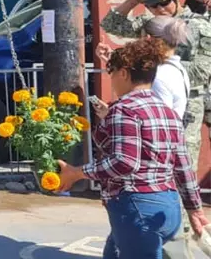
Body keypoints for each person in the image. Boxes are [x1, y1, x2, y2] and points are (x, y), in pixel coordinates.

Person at [58, 39, 208, 258]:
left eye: (112, 73)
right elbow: (183, 166)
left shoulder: (124, 110)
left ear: (124, 73)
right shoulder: (167, 112)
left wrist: (77, 173)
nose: (111, 80)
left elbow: (125, 162)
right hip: (168, 206)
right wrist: (194, 209)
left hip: (137, 206)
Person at [102, 0, 211, 174]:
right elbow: (110, 24)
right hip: (150, 100)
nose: (160, 9)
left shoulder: (197, 25)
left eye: (164, 3)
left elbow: (202, 71)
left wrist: (157, 67)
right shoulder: (150, 24)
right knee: (151, 161)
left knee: (182, 163)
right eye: (152, 6)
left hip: (186, 103)